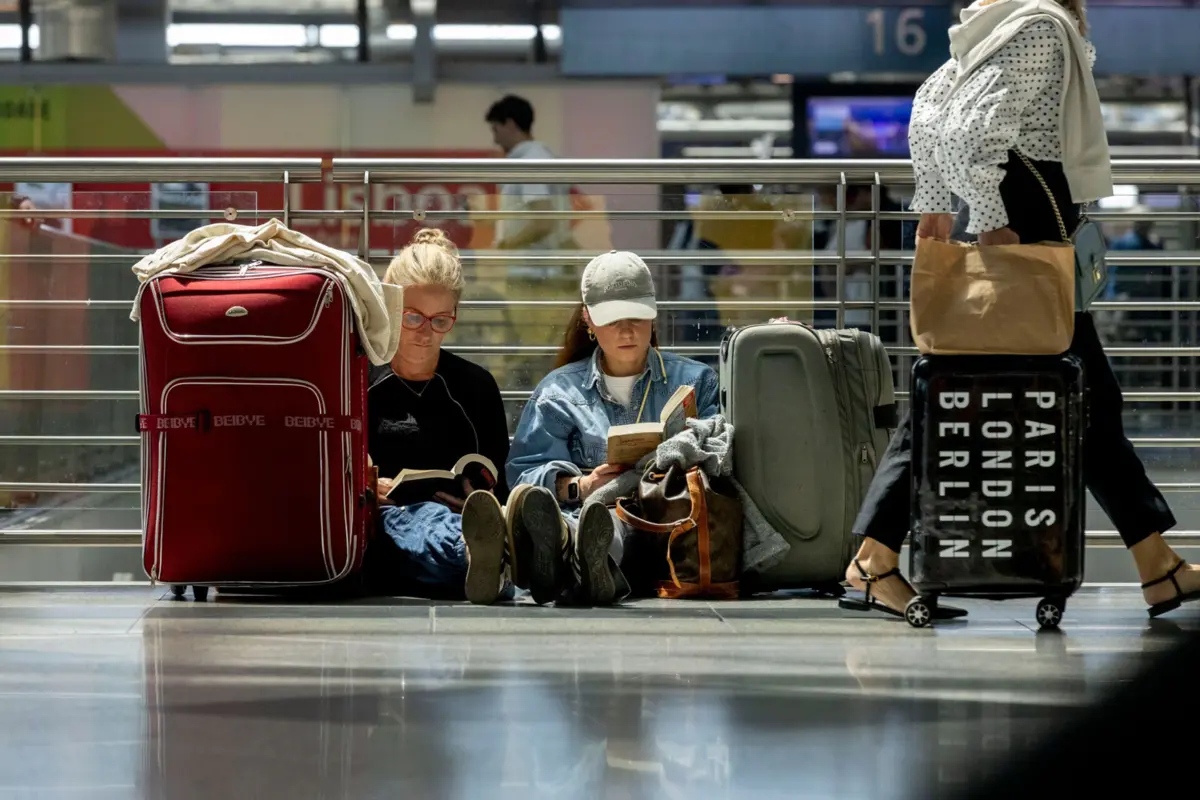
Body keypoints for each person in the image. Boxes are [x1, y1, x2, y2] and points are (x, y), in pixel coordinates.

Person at [846, 0, 1198, 620]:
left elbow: (931, 109)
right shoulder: (1040, 26)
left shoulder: (991, 21)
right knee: (1073, 397)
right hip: (1021, 234)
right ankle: (1156, 564)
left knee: (948, 387)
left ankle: (875, 556)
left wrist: (937, 201)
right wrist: (990, 221)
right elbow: (970, 130)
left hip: (1009, 225)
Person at [485, 250, 720, 606]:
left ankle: (572, 560)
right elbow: (523, 477)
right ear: (588, 321)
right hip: (590, 513)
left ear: (653, 315)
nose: (626, 330)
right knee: (594, 519)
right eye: (612, 320)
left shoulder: (696, 381)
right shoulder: (557, 392)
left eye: (636, 317)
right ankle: (578, 557)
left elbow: (722, 461)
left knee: (605, 525)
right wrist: (581, 486)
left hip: (669, 528)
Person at [365, 228, 515, 605]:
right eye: (413, 318)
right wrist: (364, 486)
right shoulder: (356, 379)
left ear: (455, 316)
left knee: (455, 521)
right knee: (406, 522)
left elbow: (498, 479)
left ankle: (497, 552)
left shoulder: (475, 386)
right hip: (379, 527)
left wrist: (479, 500)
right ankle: (484, 556)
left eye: (440, 321)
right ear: (391, 307)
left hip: (462, 523)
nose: (426, 333)